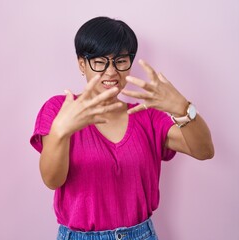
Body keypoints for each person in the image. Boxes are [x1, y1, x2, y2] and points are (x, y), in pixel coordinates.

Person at [30, 16, 214, 240]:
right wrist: (61, 133)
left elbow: (204, 151)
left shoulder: (147, 116)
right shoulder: (59, 110)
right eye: (99, 61)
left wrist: (183, 109)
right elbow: (52, 180)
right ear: (81, 63)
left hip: (141, 235)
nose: (111, 72)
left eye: (120, 60)